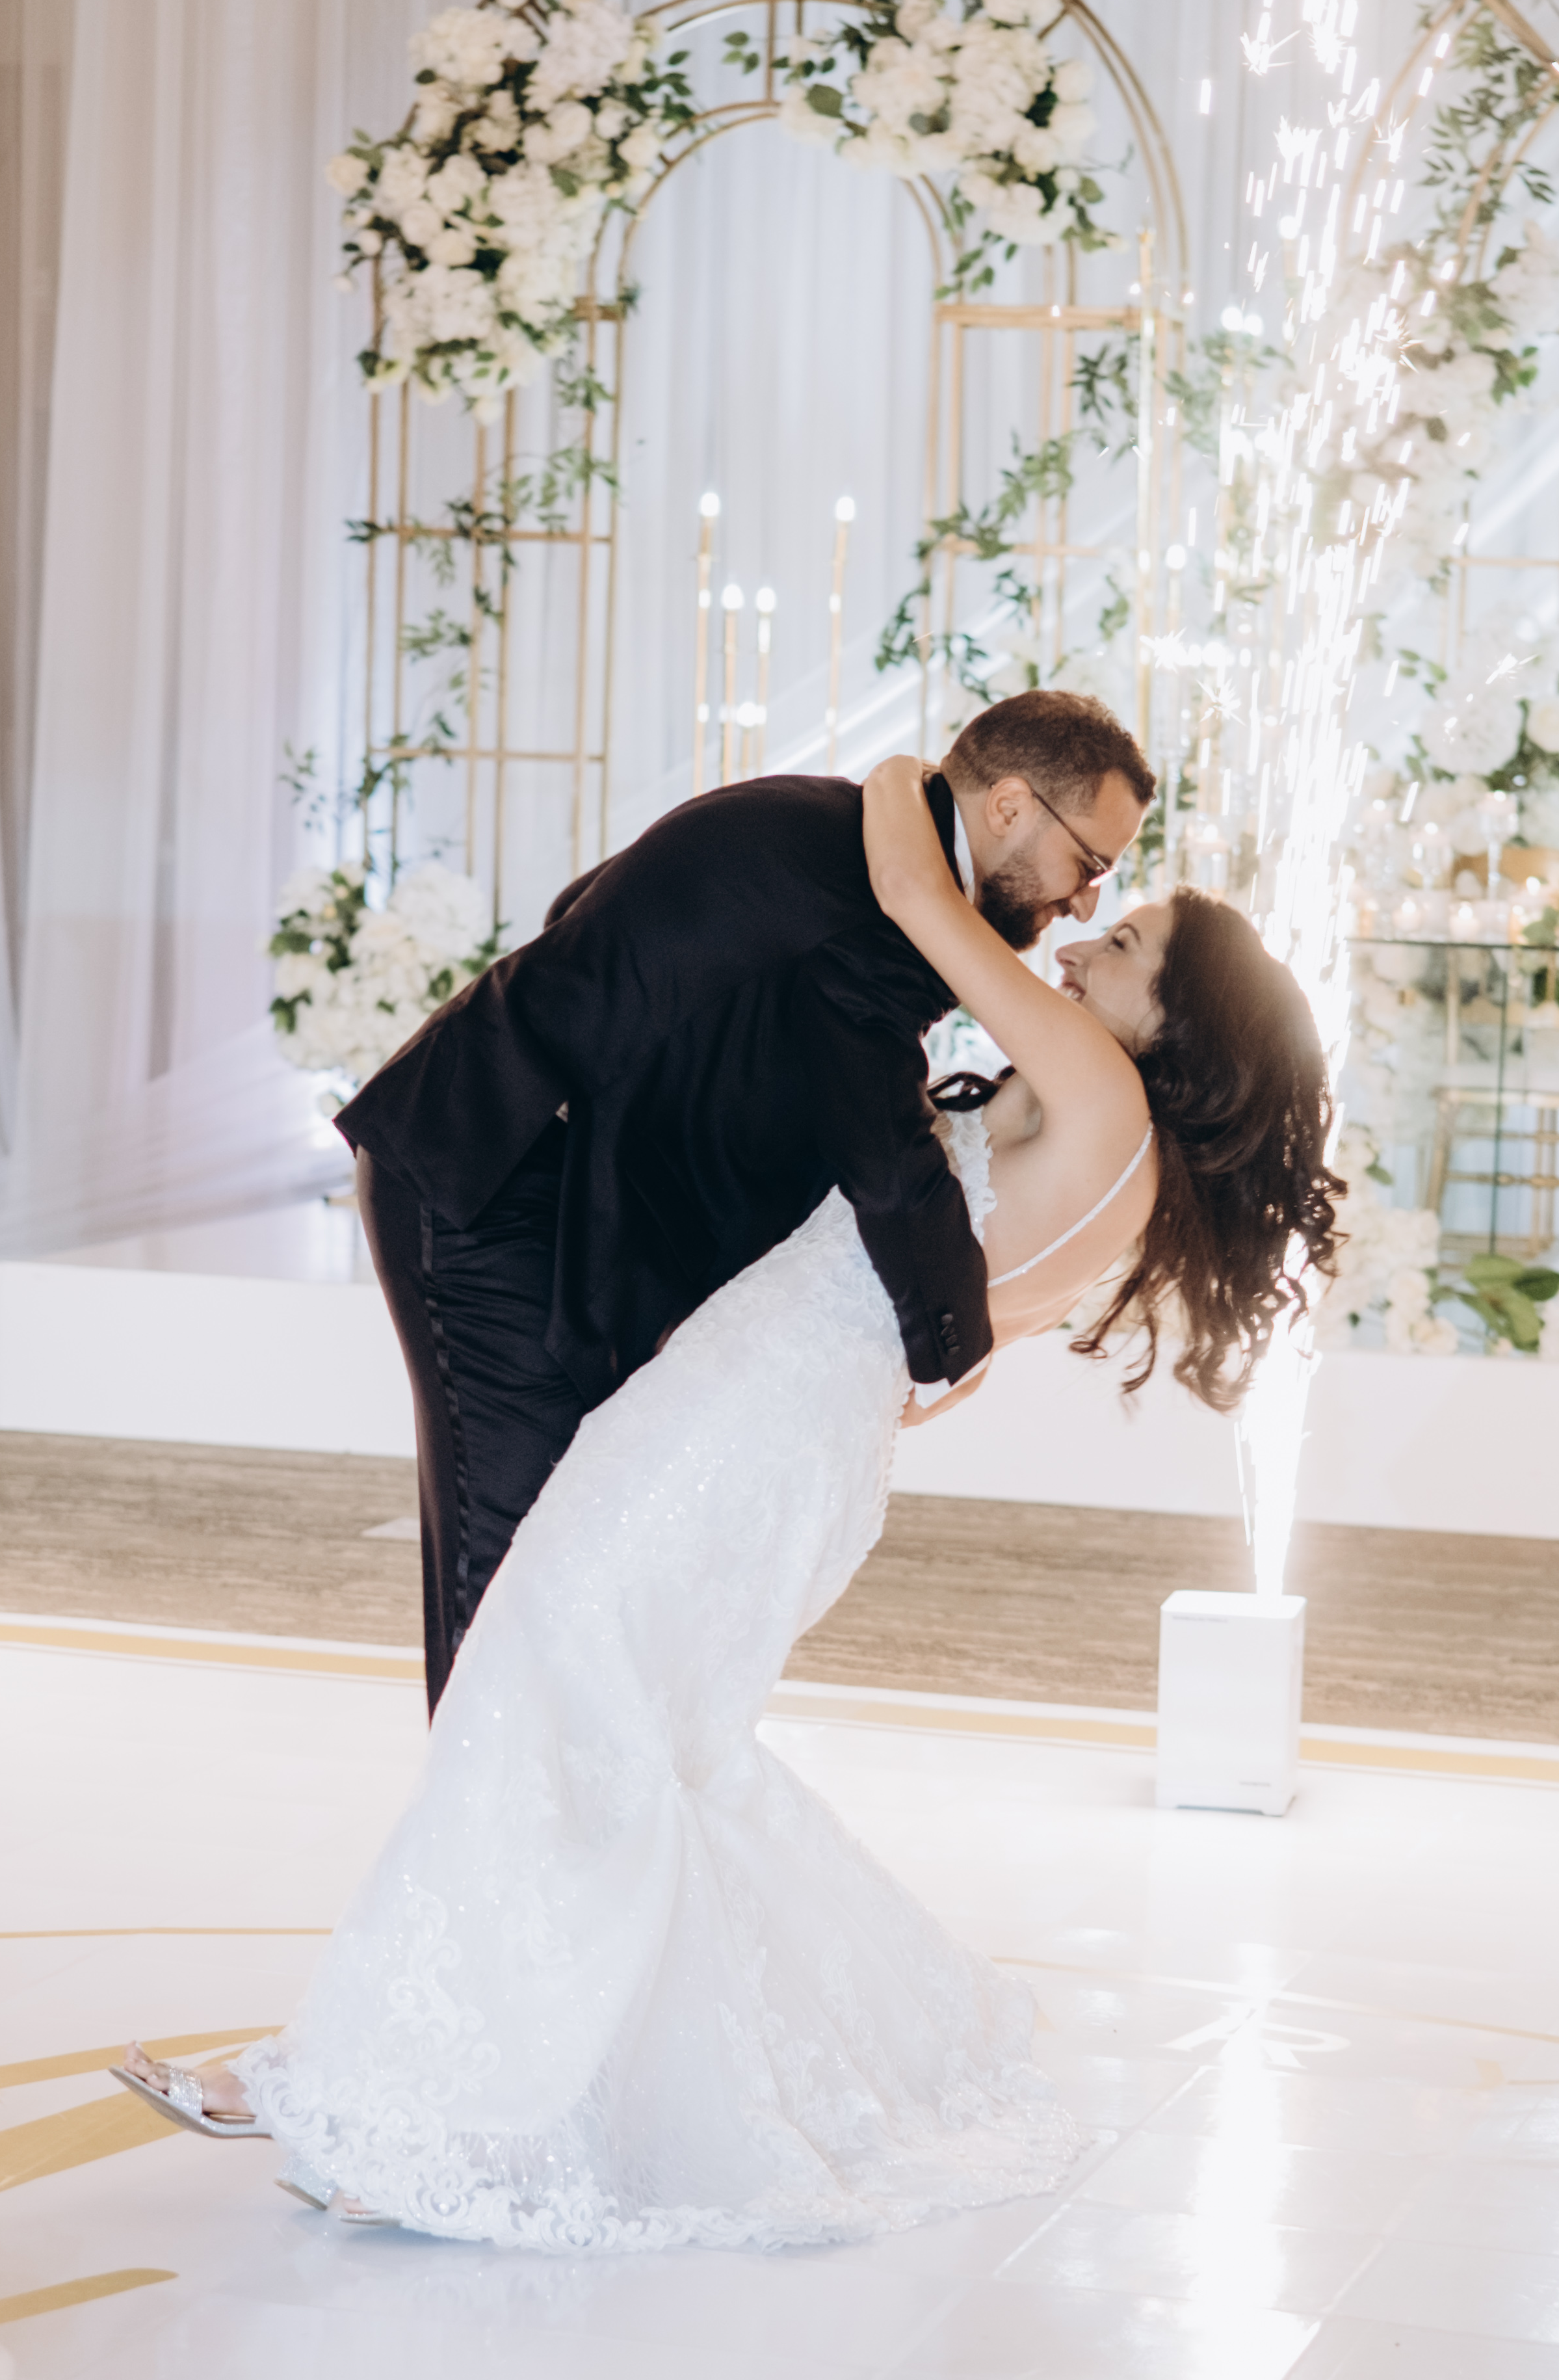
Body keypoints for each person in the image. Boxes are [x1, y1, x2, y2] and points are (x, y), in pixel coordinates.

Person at [112, 744, 1339, 2253]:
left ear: (1179, 1020)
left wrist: (898, 776)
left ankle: (417, 2101)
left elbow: (915, 899)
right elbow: (950, 1348)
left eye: (1128, 941)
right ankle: (438, 2081)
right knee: (600, 1720)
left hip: (742, 1420)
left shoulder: (1091, 1084)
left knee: (554, 1690)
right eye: (1100, 893)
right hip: (784, 1427)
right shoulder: (1127, 1174)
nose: (1086, 934)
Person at [328, 689, 1156, 1711]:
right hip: (489, 1180)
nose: (1085, 905)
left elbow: (585, 904)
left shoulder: (831, 823)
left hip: (539, 1185)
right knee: (512, 1584)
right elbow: (885, 1157)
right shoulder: (879, 904)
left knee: (559, 1580)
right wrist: (954, 1351)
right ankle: (482, 1811)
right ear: (1011, 806)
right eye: (1091, 864)